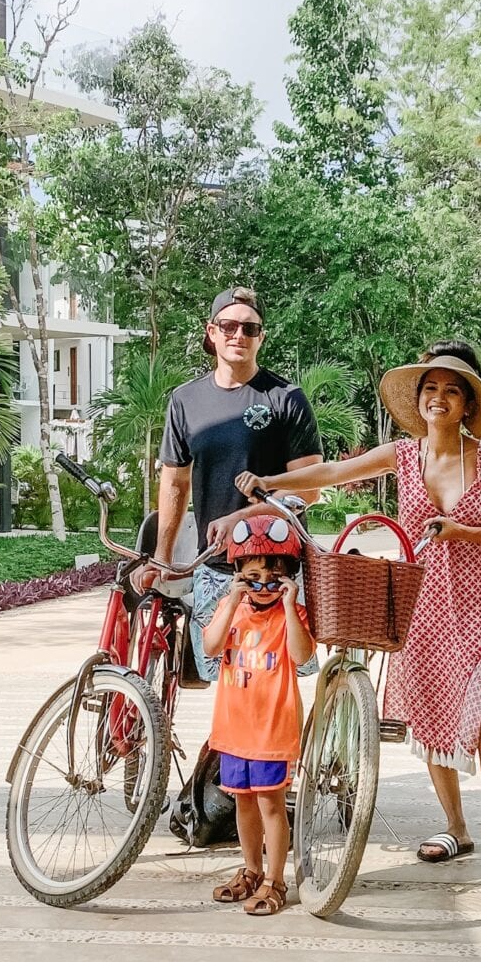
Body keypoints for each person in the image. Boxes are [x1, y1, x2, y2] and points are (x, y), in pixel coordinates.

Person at [236, 338, 481, 895]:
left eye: (451, 390)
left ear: (468, 404)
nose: (438, 397)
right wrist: (272, 484)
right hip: (418, 603)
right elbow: (330, 473)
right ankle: (455, 828)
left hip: (471, 605)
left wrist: (462, 531)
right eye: (430, 388)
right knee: (427, 715)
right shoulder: (402, 455)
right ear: (419, 400)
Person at [150, 286, 322, 681]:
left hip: (278, 569)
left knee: (280, 676)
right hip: (215, 567)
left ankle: (283, 745)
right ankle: (228, 744)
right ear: (212, 333)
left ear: (262, 336)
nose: (238, 335)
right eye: (228, 326)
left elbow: (308, 487)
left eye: (250, 328)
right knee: (223, 675)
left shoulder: (286, 398)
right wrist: (162, 555)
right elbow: (175, 483)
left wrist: (242, 518)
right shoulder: (185, 400)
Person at [203, 511, 314, 916]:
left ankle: (276, 879)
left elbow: (302, 655)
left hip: (272, 730)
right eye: (253, 579)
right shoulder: (230, 608)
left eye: (273, 580)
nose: (263, 587)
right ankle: (251, 870)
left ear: (288, 579)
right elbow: (212, 647)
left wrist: (288, 605)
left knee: (270, 804)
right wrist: (233, 600)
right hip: (235, 729)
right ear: (237, 575)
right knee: (243, 803)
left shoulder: (291, 616)